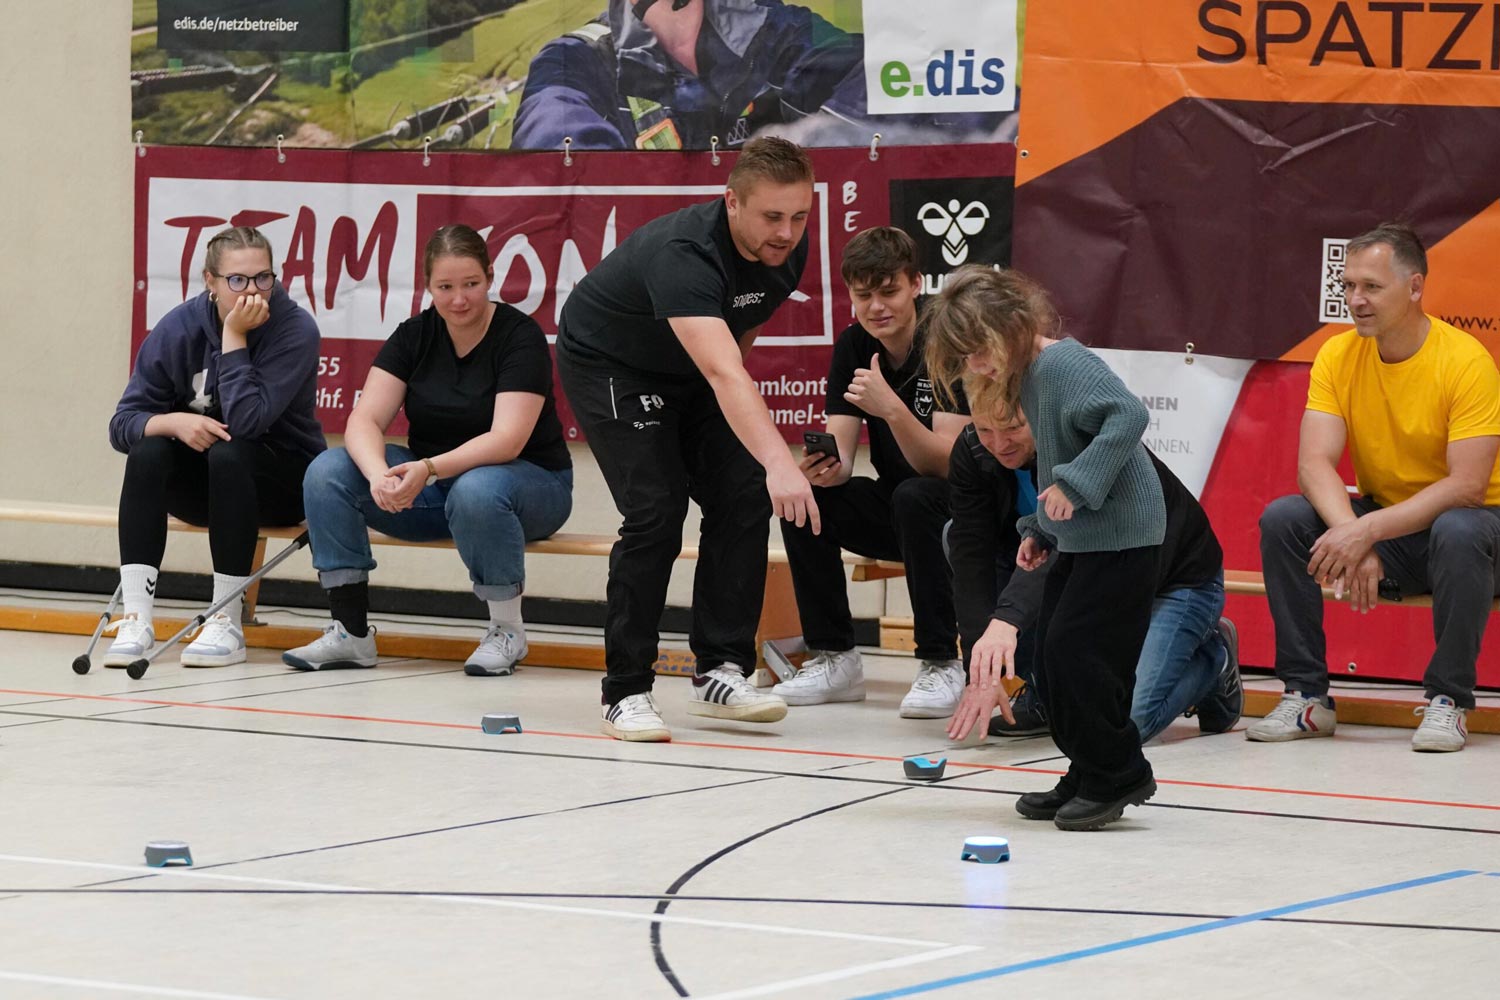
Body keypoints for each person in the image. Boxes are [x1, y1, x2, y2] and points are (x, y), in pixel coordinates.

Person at [556, 135, 816, 742]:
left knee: (743, 491)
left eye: (799, 216)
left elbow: (736, 345)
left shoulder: (785, 251)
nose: (786, 232)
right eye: (772, 217)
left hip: (692, 366)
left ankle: (720, 671)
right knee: (656, 508)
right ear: (732, 202)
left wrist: (757, 462)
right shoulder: (685, 253)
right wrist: (781, 461)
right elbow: (726, 372)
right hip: (611, 363)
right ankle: (625, 690)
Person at [924, 265, 1165, 832]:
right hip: (1085, 536)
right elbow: (1060, 454)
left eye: (978, 350)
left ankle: (1119, 772)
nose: (975, 366)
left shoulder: (1061, 363)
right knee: (1053, 657)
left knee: (1083, 657)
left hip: (1124, 535)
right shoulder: (1031, 375)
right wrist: (1041, 529)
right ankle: (1088, 768)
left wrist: (1074, 485)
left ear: (1009, 325)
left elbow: (1128, 416)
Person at [1252, 222, 1500, 753]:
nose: (1356, 300)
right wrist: (1353, 533)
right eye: (1348, 286)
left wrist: (1366, 532)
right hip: (1396, 526)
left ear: (1415, 287)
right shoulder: (1337, 354)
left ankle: (1449, 700)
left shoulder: (1466, 361)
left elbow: (1467, 487)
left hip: (1481, 536)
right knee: (1285, 519)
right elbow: (1313, 464)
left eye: (1371, 286)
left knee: (1459, 527)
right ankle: (1307, 696)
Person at [284, 225, 573, 676]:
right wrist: (379, 475)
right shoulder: (414, 335)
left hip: (529, 488)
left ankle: (507, 631)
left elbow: (507, 439)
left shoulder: (520, 336)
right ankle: (350, 632)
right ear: (428, 287)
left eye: (471, 284)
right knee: (328, 471)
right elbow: (364, 420)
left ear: (491, 276)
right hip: (435, 489)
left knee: (477, 488)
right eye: (445, 287)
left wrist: (429, 467)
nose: (459, 300)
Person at [945, 383, 1243, 745]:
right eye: (985, 429)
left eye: (1012, 428)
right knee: (952, 537)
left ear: (1038, 414)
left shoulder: (1081, 446)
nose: (999, 443)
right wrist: (979, 672)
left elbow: (1070, 545)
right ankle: (1044, 690)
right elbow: (971, 558)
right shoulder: (974, 451)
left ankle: (1214, 660)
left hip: (1177, 582)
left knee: (1124, 723)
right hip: (1087, 577)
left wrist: (1007, 620)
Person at [771, 227, 970, 717]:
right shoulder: (855, 345)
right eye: (864, 295)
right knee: (805, 501)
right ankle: (835, 657)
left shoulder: (947, 341)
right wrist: (822, 470)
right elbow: (840, 454)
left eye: (889, 292)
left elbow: (948, 465)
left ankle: (942, 662)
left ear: (916, 284)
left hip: (961, 512)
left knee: (916, 495)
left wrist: (891, 409)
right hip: (900, 509)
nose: (876, 307)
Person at [106, 226, 324, 667]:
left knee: (230, 450)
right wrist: (173, 422)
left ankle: (226, 619)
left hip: (280, 483)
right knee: (148, 450)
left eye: (263, 278)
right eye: (237, 280)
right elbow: (121, 425)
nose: (253, 291)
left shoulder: (295, 328)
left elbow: (246, 423)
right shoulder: (179, 327)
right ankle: (136, 617)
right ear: (210, 281)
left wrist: (233, 337)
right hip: (207, 489)